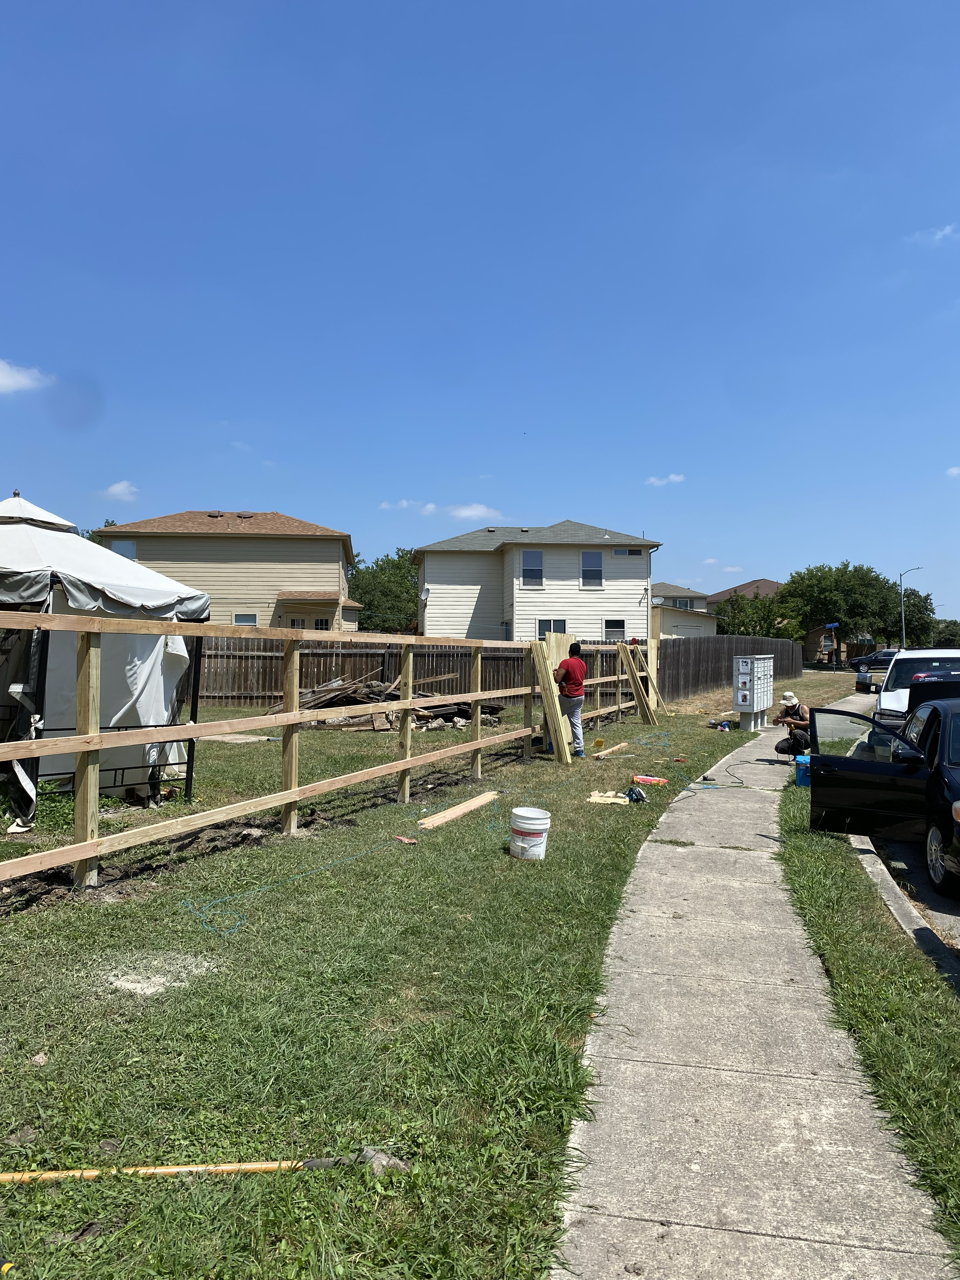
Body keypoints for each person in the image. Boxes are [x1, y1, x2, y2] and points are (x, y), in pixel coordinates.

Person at [551, 641, 587, 758]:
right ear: (579, 652)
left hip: (567, 697)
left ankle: (551, 744)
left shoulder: (566, 662)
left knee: (552, 718)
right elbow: (573, 677)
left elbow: (557, 680)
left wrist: (556, 673)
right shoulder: (582, 664)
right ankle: (579, 750)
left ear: (569, 652)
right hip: (579, 696)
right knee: (576, 724)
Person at [773, 691, 811, 757]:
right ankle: (797, 753)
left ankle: (799, 757)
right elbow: (774, 723)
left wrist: (793, 721)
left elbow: (810, 724)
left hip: (807, 737)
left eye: (788, 704)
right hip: (793, 738)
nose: (786, 705)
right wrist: (779, 720)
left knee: (797, 732)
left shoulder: (802, 708)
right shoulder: (784, 710)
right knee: (779, 747)